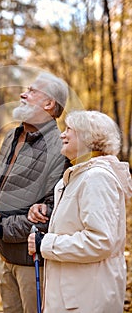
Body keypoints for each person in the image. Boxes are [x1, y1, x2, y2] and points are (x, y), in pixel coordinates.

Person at [0, 71, 69, 313]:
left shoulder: (60, 148)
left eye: (31, 91)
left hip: (33, 261)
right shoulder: (12, 135)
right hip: (4, 252)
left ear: (49, 104)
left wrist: (1, 230)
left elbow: (52, 213)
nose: (22, 94)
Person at [28, 110, 132, 313]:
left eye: (69, 130)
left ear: (88, 137)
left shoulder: (97, 178)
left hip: (88, 298)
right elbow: (76, 220)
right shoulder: (75, 177)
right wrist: (46, 211)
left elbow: (100, 241)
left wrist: (45, 243)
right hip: (72, 294)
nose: (62, 135)